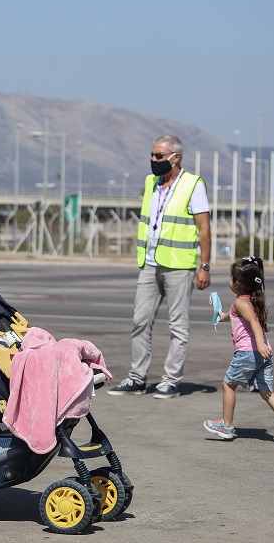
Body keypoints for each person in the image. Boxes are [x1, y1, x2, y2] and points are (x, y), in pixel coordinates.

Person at [108, 135, 211, 400]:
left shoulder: (193, 185)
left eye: (159, 156)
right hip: (150, 263)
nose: (153, 160)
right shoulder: (150, 182)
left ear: (175, 158)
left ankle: (170, 381)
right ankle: (137, 378)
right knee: (140, 321)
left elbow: (204, 227)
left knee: (178, 326)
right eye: (152, 155)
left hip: (179, 265)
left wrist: (205, 266)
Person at [203, 257, 274, 444]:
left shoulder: (241, 303)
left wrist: (259, 344)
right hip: (263, 354)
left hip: (249, 352)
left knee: (228, 384)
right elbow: (240, 318)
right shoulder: (251, 299)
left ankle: (226, 426)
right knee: (266, 390)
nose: (229, 281)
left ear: (237, 284)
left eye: (231, 278)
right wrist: (221, 316)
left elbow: (254, 323)